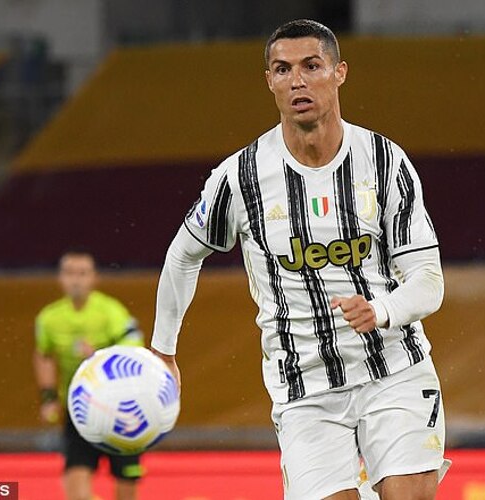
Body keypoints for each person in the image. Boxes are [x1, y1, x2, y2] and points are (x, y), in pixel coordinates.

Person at [151, 19, 450, 499]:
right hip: (303, 387)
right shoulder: (241, 176)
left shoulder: (383, 161)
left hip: (394, 370)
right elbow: (183, 256)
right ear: (269, 81)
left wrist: (381, 310)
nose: (297, 81)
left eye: (311, 66)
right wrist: (163, 350)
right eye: (282, 69)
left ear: (339, 73)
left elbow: (428, 279)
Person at [34, 250, 145, 500]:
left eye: (82, 273)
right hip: (80, 411)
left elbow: (135, 346)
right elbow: (44, 355)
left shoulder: (111, 311)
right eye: (70, 273)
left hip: (120, 411)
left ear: (94, 278)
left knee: (126, 487)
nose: (76, 280)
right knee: (75, 489)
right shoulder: (49, 318)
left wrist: (100, 356)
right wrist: (48, 397)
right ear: (60, 278)